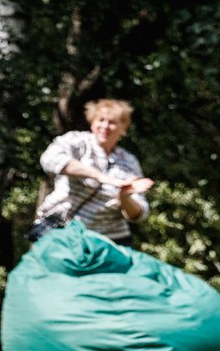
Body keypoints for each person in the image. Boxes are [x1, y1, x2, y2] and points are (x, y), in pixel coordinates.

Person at [32, 100, 152, 244]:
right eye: (101, 120)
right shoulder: (77, 141)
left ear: (123, 128)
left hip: (107, 239)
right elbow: (49, 159)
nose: (105, 126)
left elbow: (140, 213)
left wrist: (125, 197)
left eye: (112, 122)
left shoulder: (129, 161)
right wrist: (100, 176)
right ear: (92, 122)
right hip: (62, 229)